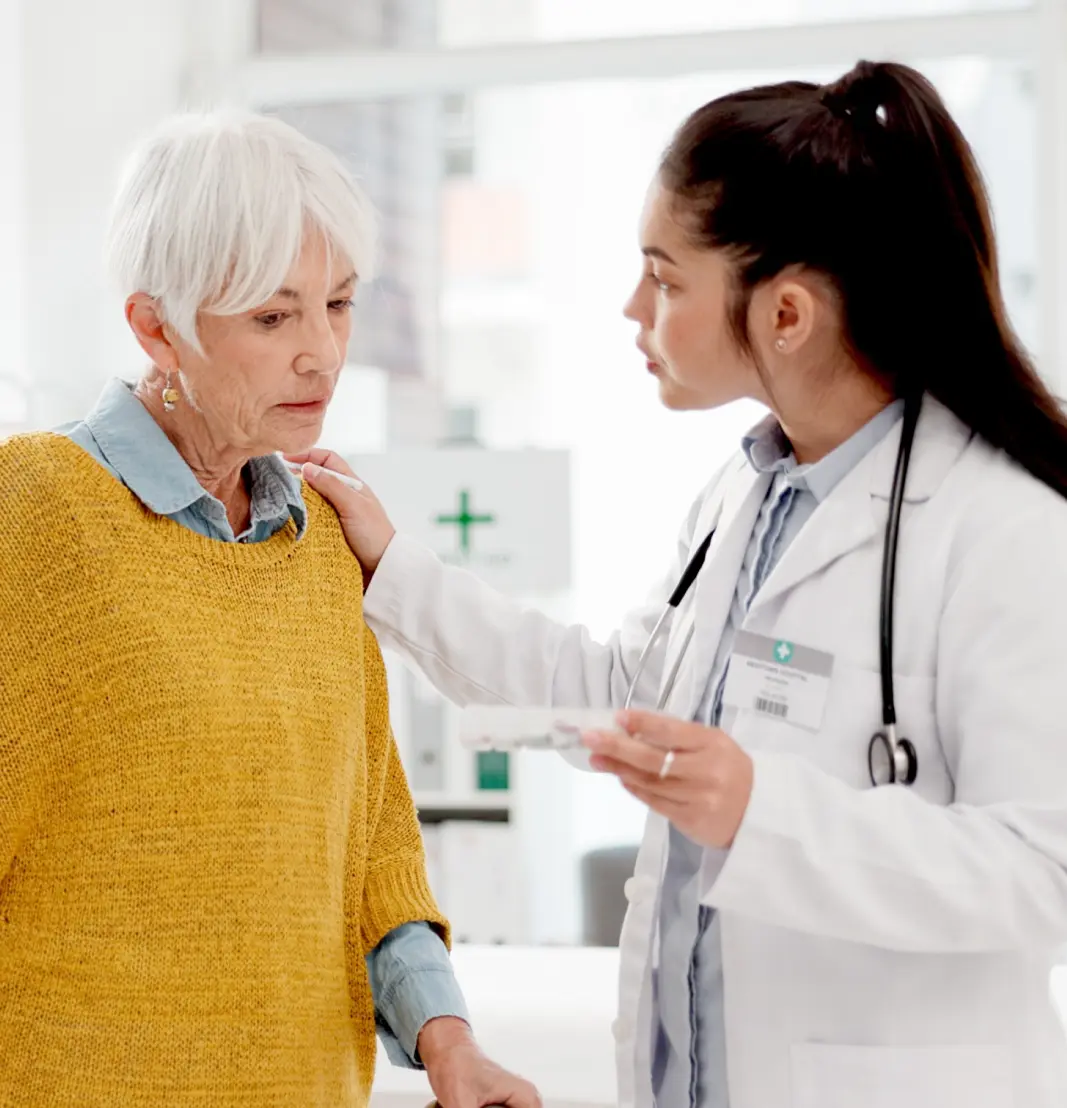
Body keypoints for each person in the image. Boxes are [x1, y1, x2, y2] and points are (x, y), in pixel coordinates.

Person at [294, 60, 1067, 1108]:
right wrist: (394, 569)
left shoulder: (1000, 529)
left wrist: (761, 807)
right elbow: (621, 690)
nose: (630, 306)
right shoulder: (744, 499)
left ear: (784, 314)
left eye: (662, 278)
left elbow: (1041, 868)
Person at [0, 110, 539, 1108]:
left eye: (337, 305)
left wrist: (446, 1039)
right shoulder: (35, 512)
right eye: (272, 318)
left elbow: (373, 841)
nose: (323, 354)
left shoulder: (320, 538)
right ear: (156, 326)